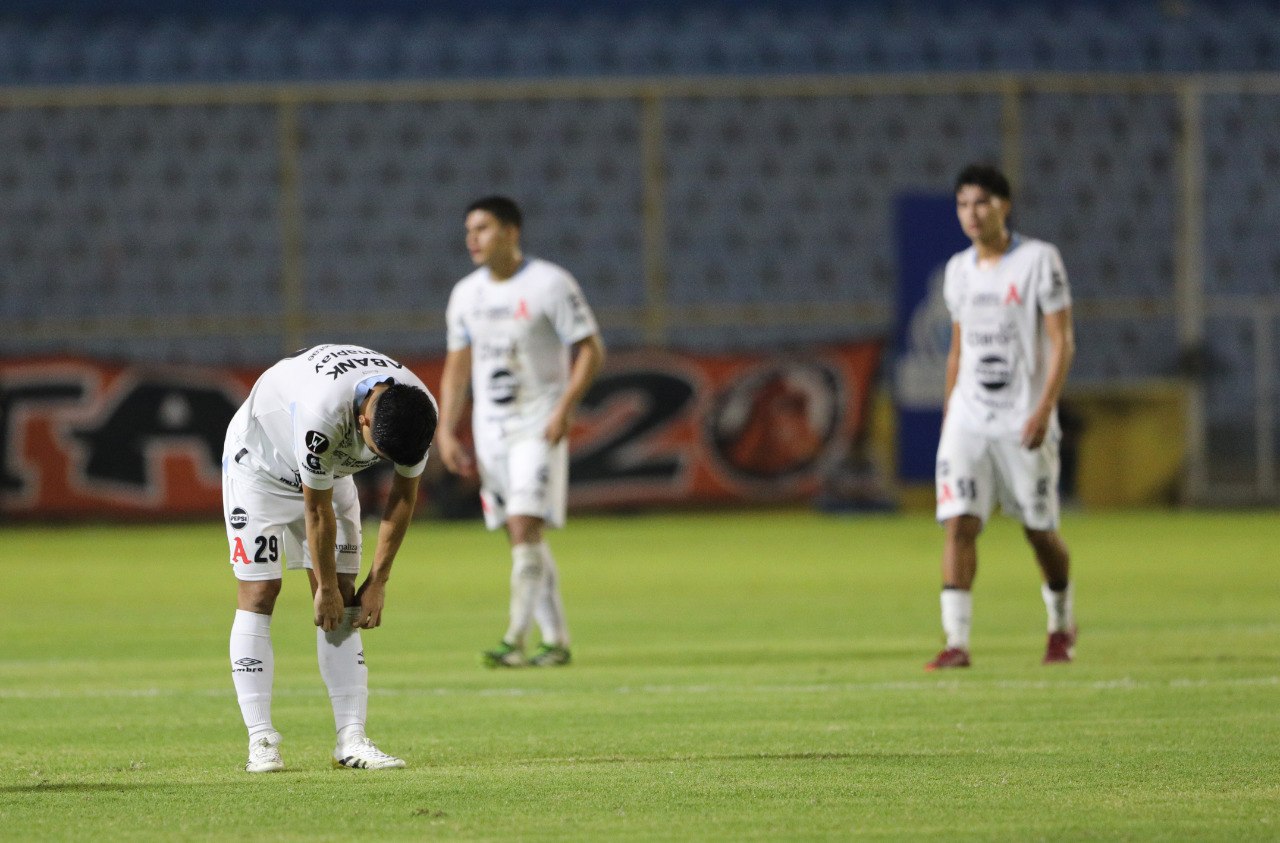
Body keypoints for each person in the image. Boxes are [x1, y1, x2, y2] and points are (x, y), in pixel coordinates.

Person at [223, 343, 438, 771]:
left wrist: (379, 581)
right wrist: (320, 587)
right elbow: (316, 510)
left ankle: (351, 739)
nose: (383, 463)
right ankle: (261, 740)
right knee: (262, 591)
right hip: (261, 471)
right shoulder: (323, 413)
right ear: (363, 421)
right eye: (378, 454)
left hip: (330, 473)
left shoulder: (417, 412)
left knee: (345, 598)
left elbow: (402, 498)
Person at [436, 196, 605, 668]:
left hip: (539, 424)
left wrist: (565, 409)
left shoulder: (550, 283)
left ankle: (515, 639)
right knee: (521, 536)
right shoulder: (466, 294)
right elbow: (456, 367)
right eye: (469, 229)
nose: (473, 238)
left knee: (524, 525)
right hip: (491, 432)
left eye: (484, 228)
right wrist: (447, 431)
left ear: (511, 232)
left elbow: (591, 349)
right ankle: (557, 640)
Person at [926, 164, 1077, 671]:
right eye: (964, 204)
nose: (972, 214)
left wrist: (1044, 408)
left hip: (1023, 419)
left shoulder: (1038, 260)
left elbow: (1062, 340)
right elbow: (957, 349)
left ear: (1005, 206)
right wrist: (951, 414)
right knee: (958, 523)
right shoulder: (958, 270)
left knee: (1040, 532)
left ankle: (1061, 625)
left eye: (983, 202)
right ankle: (956, 643)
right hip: (970, 418)